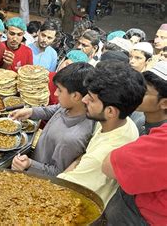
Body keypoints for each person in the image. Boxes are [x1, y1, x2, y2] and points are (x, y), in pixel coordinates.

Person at [57, 61, 145, 207]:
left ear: (110, 111)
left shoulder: (101, 156)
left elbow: (61, 189)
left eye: (91, 99)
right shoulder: (124, 122)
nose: (84, 100)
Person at [102, 61, 167, 225]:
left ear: (164, 103)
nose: (134, 94)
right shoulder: (139, 119)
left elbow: (109, 166)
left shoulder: (161, 139)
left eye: (143, 92)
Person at [11, 63, 95, 176]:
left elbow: (58, 173)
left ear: (75, 96)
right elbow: (54, 109)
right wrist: (30, 112)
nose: (55, 93)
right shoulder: (71, 107)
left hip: (38, 178)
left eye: (59, 90)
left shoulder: (72, 139)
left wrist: (29, 164)